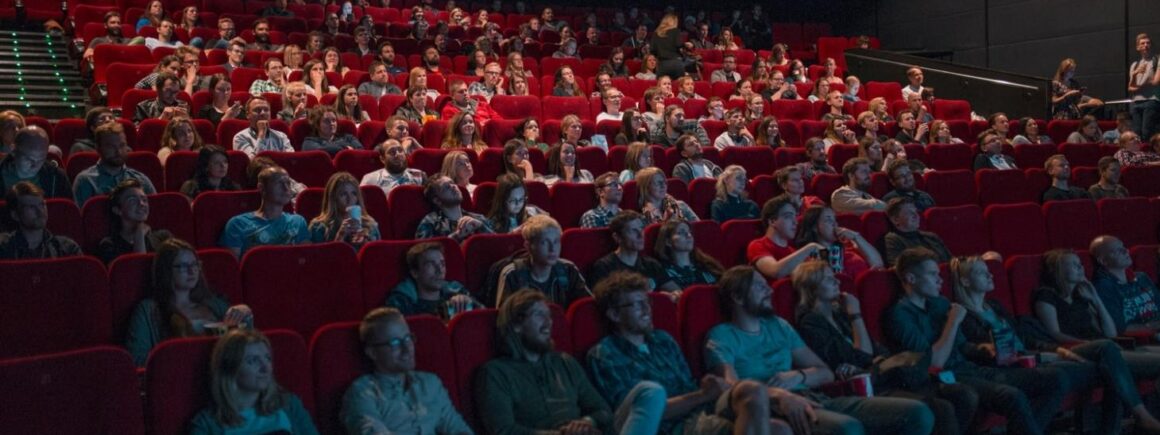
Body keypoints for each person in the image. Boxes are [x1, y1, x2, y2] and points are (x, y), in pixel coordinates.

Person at [707, 265, 936, 435]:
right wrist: (778, 394)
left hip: (815, 396)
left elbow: (825, 372)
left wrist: (798, 374)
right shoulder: (721, 335)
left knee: (917, 413)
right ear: (737, 296)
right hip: (774, 407)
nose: (769, 291)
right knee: (848, 428)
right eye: (759, 286)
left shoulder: (779, 325)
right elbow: (730, 387)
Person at [952, 254, 1160, 435]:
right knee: (1107, 356)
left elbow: (1026, 338)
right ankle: (1135, 418)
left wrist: (1057, 350)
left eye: (988, 271)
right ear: (965, 281)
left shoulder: (995, 306)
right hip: (1017, 366)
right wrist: (1055, 351)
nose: (990, 275)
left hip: (1038, 355)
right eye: (981, 272)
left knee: (1109, 361)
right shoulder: (964, 315)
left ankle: (1122, 425)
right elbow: (979, 352)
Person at [884, 248, 1066, 435]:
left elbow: (964, 346)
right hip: (944, 378)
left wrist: (986, 349)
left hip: (970, 368)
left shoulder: (940, 303)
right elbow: (934, 363)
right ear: (911, 279)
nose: (940, 280)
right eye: (932, 274)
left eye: (939, 274)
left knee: (1054, 378)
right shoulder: (900, 315)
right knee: (1013, 396)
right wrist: (953, 322)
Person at [587, 271, 787, 435]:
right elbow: (640, 414)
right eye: (637, 304)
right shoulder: (606, 354)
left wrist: (708, 388)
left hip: (700, 410)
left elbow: (688, 385)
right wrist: (702, 395)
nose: (646, 310)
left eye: (647, 302)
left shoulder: (662, 340)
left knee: (754, 393)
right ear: (614, 314)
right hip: (671, 426)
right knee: (777, 430)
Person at [795, 260, 979, 435]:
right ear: (812, 287)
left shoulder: (839, 314)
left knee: (962, 394)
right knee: (942, 409)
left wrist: (875, 358)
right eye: (828, 279)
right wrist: (856, 315)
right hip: (866, 386)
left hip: (883, 375)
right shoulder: (811, 322)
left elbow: (877, 349)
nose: (837, 281)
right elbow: (862, 355)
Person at [475, 289, 613, 433]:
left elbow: (603, 410)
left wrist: (585, 422)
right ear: (516, 325)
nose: (548, 322)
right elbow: (503, 430)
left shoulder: (564, 362)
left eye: (549, 316)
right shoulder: (496, 373)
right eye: (539, 315)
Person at [341, 307, 472, 433]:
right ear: (372, 353)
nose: (407, 348)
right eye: (395, 343)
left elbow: (457, 428)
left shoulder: (430, 383)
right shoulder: (362, 393)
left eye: (408, 338)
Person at [125, 238, 251, 366]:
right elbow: (137, 359)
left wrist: (244, 313)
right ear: (166, 270)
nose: (192, 271)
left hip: (221, 372)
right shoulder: (148, 310)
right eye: (184, 266)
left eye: (195, 264)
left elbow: (246, 342)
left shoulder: (213, 303)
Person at [188, 329, 319, 434]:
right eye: (253, 360)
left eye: (267, 358)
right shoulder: (207, 424)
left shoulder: (289, 404)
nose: (265, 367)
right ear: (230, 369)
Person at [494, 215, 589, 307]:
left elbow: (586, 307)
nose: (552, 249)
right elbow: (505, 318)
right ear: (528, 246)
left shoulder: (568, 269)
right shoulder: (512, 275)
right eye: (544, 242)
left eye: (556, 242)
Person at [219, 166, 309, 257]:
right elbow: (232, 267)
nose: (286, 189)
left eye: (288, 183)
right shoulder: (238, 224)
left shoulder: (298, 222)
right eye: (279, 183)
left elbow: (305, 261)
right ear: (261, 188)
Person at [73, 122, 158, 206]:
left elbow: (155, 212)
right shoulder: (85, 181)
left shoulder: (140, 179)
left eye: (122, 145)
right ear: (98, 148)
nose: (118, 151)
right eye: (111, 147)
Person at [1090, 235, 1160, 337]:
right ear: (1103, 261)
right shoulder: (1103, 288)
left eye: (1123, 247)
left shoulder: (1141, 277)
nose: (1126, 251)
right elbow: (1119, 328)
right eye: (1118, 251)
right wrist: (1152, 327)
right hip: (1137, 342)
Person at [384, 243, 476, 318]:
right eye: (430, 264)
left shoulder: (457, 293)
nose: (439, 270)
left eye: (442, 264)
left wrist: (468, 302)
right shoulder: (401, 305)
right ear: (415, 273)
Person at [795, 205, 884, 278]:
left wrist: (856, 237)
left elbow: (878, 264)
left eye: (835, 220)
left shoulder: (848, 246)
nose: (835, 224)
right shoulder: (809, 255)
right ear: (814, 227)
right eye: (828, 220)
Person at [96, 179, 172, 263]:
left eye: (144, 199)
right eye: (132, 200)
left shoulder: (163, 237)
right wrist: (139, 233)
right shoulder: (109, 245)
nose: (141, 204)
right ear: (117, 210)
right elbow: (137, 270)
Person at [748, 196, 823, 280]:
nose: (795, 222)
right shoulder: (758, 245)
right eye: (788, 216)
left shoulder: (792, 252)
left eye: (795, 217)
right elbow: (775, 271)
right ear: (772, 221)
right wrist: (810, 248)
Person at [0, 182, 81, 259]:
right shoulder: (3, 248)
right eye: (31, 207)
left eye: (42, 205)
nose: (40, 211)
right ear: (15, 215)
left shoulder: (67, 249)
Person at [416, 175, 493, 243]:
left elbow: (499, 244)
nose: (453, 186)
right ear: (437, 200)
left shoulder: (479, 218)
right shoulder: (430, 222)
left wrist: (481, 226)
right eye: (446, 187)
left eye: (452, 183)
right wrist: (456, 236)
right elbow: (425, 253)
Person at [309, 172, 380, 245]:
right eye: (343, 194)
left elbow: (378, 254)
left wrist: (366, 244)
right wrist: (340, 236)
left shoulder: (369, 224)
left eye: (354, 194)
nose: (350, 199)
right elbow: (319, 256)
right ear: (333, 199)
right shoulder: (318, 227)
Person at [0, 126, 69, 199]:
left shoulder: (57, 177)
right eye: (29, 159)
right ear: (13, 151)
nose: (35, 166)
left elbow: (67, 209)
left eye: (41, 159)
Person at [882, 197, 953, 264]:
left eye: (915, 211)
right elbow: (899, 268)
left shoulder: (931, 236)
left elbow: (952, 261)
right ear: (895, 220)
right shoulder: (893, 240)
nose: (916, 215)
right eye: (909, 212)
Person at [654, 220, 724, 287]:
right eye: (681, 232)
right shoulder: (663, 271)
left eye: (690, 232)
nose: (689, 235)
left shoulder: (706, 265)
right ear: (668, 242)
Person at [1130, 33, 1159, 141]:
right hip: (1136, 102)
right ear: (1138, 47)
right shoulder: (1135, 65)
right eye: (1142, 43)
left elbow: (1156, 82)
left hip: (1151, 101)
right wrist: (1134, 75)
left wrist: (1138, 86)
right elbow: (1130, 87)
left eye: (1148, 43)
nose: (1145, 45)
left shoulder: (1157, 60)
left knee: (1148, 133)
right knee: (1136, 134)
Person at [650, 14, 684, 80]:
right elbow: (678, 45)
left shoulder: (656, 33)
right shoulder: (675, 31)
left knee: (662, 87)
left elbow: (652, 50)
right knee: (679, 86)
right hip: (676, 63)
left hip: (662, 64)